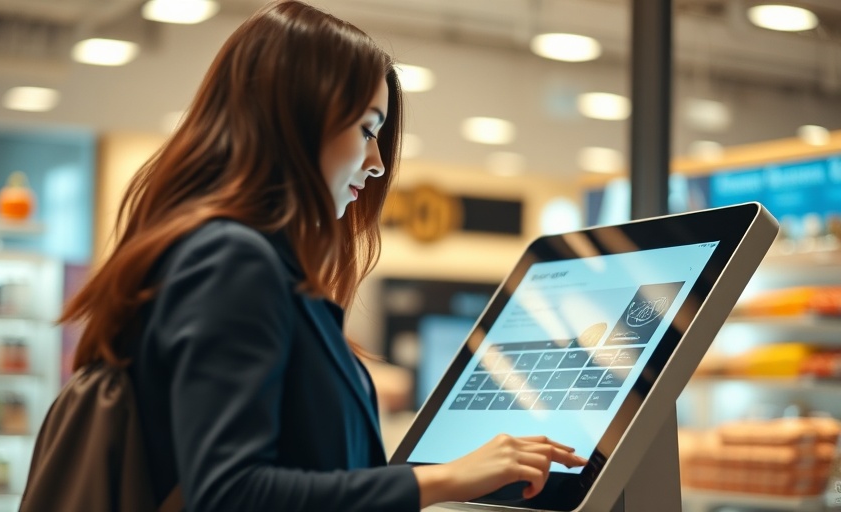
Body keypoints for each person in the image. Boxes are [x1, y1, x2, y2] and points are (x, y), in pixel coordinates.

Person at [60, 1, 586, 510]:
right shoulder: (231, 260)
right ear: (297, 119)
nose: (377, 162)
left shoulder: (239, 260)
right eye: (366, 129)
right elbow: (231, 494)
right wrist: (442, 481)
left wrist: (454, 476)